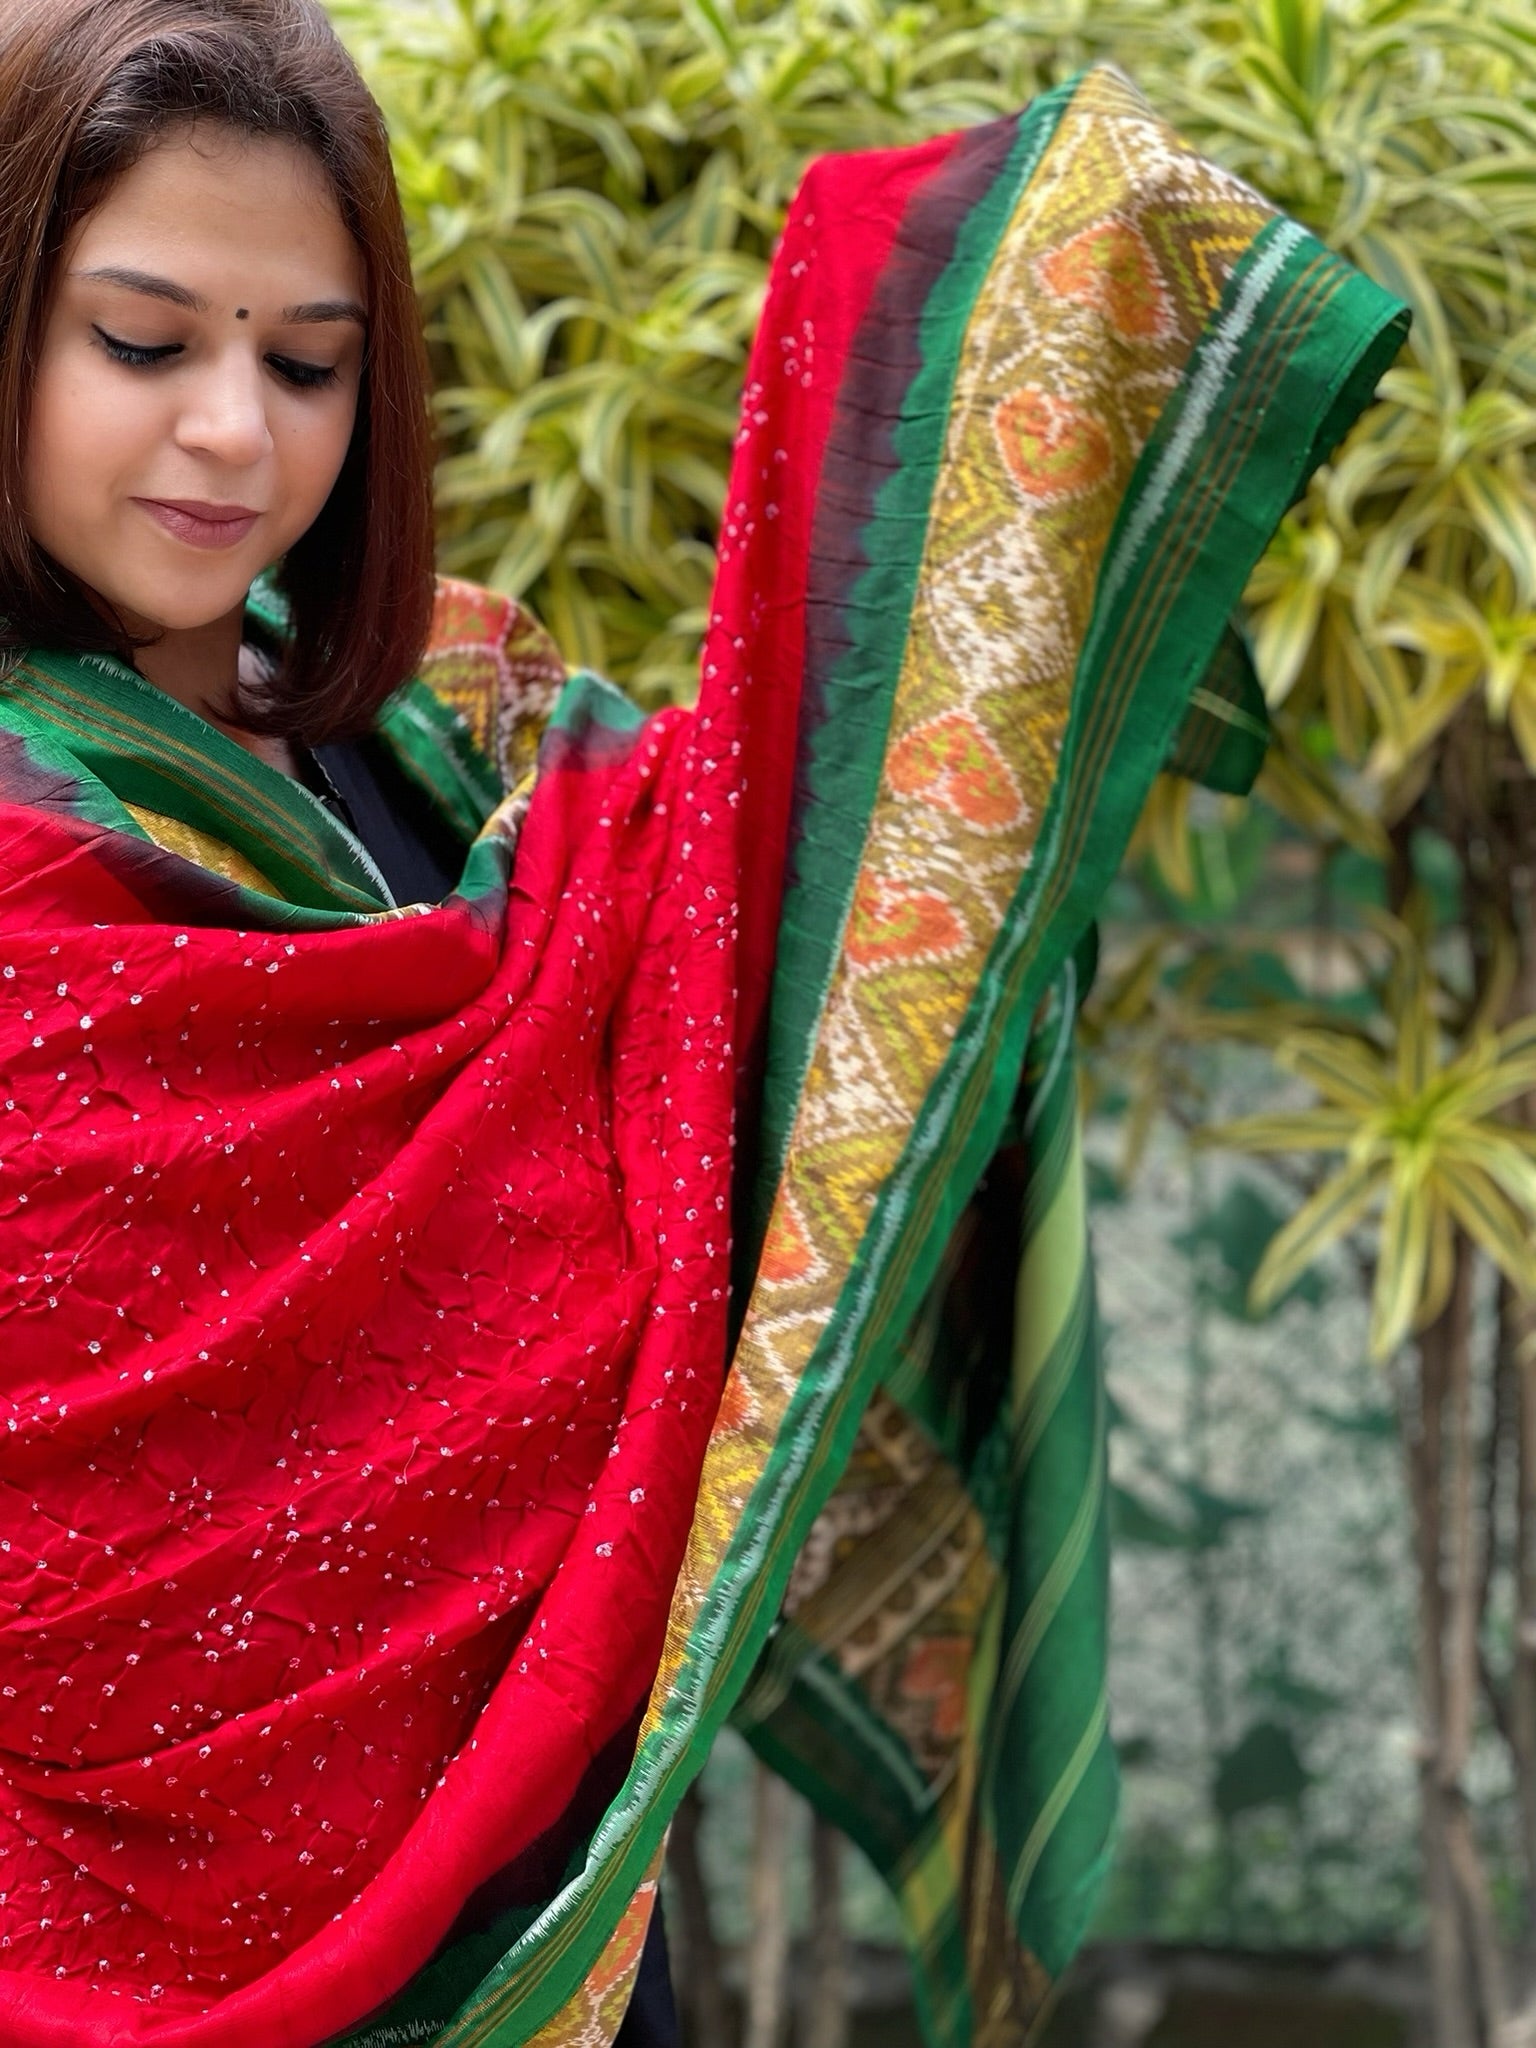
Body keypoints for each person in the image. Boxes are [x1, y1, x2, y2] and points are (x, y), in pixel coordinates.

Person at [0, 3, 1406, 2045]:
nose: (237, 430)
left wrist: (978, 379)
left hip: (558, 1897)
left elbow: (780, 973)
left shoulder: (461, 742)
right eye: (145, 343)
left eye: (307, 361)